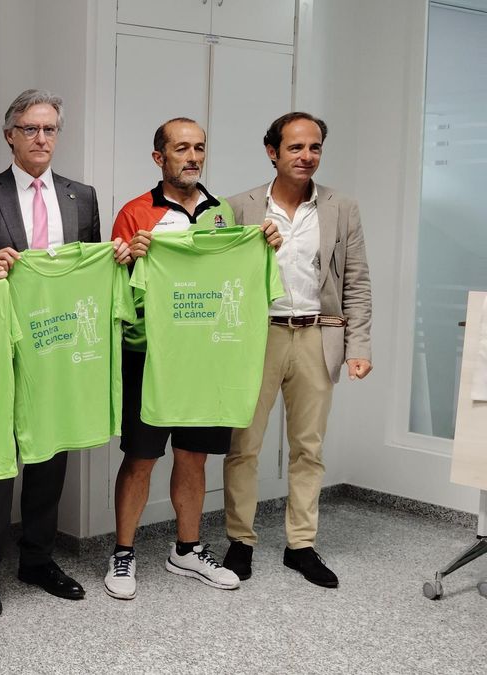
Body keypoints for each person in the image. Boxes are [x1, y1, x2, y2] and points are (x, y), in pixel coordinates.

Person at [0, 89, 131, 617]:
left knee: (52, 454)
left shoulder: (83, 196)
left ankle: (37, 557)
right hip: (4, 344)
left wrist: (116, 258)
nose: (41, 139)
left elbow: (93, 273)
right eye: (30, 129)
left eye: (50, 129)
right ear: (10, 135)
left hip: (62, 345)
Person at [106, 117, 282, 600]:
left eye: (199, 148)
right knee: (140, 457)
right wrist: (126, 258)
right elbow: (114, 287)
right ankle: (123, 553)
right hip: (151, 356)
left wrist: (263, 248)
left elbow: (235, 279)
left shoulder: (222, 211)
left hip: (208, 356)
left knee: (194, 455)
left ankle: (187, 548)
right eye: (181, 148)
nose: (193, 157)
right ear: (159, 157)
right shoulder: (135, 212)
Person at [223, 112, 372, 588]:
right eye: (295, 148)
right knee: (243, 447)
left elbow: (356, 281)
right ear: (273, 152)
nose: (307, 157)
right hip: (256, 339)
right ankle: (240, 542)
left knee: (308, 449)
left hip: (315, 336)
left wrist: (358, 345)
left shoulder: (340, 207)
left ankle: (301, 546)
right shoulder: (240, 206)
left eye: (315, 148)